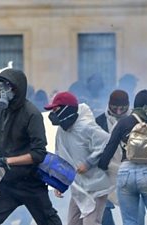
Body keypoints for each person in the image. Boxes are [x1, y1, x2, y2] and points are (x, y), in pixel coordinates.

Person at [0, 68, 62, 225]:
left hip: (30, 181)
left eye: (8, 86)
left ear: (18, 89)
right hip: (5, 182)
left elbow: (38, 153)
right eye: (1, 86)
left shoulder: (32, 114)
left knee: (50, 222)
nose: (3, 90)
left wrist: (7, 161)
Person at [98, 90, 147, 225]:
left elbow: (109, 149)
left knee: (130, 221)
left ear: (134, 105)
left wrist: (101, 167)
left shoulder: (124, 123)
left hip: (126, 172)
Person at [45, 91, 113, 225]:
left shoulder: (87, 127)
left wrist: (88, 163)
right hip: (79, 187)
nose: (53, 114)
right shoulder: (61, 131)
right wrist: (59, 181)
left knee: (91, 222)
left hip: (95, 186)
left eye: (56, 109)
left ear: (67, 109)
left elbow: (107, 143)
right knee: (73, 222)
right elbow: (60, 155)